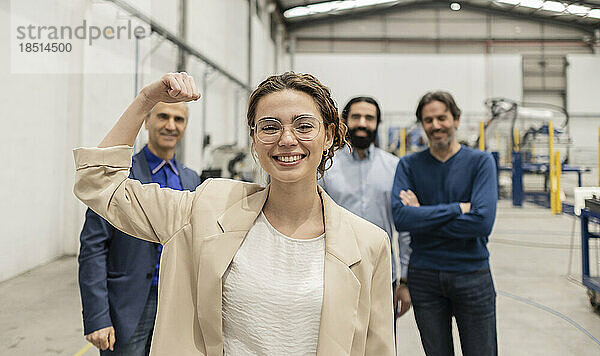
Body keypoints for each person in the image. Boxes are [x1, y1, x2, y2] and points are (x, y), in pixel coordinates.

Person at [73, 72, 395, 355]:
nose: (286, 139)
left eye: (304, 125)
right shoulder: (207, 208)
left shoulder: (369, 244)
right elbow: (99, 184)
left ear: (328, 136)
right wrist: (147, 99)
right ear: (255, 141)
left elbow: (377, 349)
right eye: (269, 127)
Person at [78, 101, 201, 354]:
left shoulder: (191, 180)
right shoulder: (120, 177)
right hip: (129, 303)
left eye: (179, 119)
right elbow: (94, 247)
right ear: (146, 121)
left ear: (185, 126)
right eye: (163, 117)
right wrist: (98, 317)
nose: (170, 125)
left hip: (176, 301)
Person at [391, 91, 498, 356]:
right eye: (428, 120)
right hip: (424, 277)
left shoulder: (481, 162)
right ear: (422, 124)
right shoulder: (408, 165)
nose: (436, 125)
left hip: (472, 274)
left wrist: (422, 216)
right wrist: (457, 209)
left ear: (456, 119)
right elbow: (402, 218)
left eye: (442, 118)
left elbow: (482, 223)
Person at [319, 97, 412, 324]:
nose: (362, 123)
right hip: (335, 273)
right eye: (356, 117)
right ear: (344, 121)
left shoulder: (394, 166)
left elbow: (405, 227)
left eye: (369, 118)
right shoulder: (326, 167)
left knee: (381, 345)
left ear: (377, 123)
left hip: (382, 275)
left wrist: (405, 280)